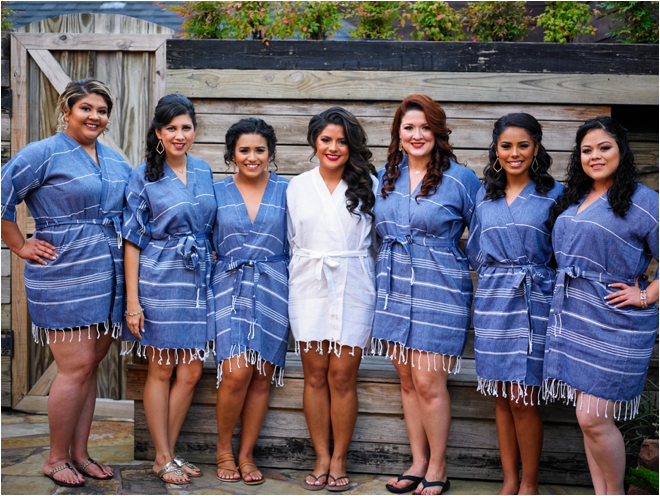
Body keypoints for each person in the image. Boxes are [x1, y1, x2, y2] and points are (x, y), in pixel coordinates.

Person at [1, 78, 130, 487]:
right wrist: (20, 245)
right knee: (74, 367)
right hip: (63, 271)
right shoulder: (43, 153)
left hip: (107, 272)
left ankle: (79, 453)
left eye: (102, 110)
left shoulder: (115, 161)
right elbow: (2, 193)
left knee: (90, 367)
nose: (95, 117)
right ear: (66, 110)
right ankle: (55, 457)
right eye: (86, 108)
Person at [543, 116, 658, 495]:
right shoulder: (575, 198)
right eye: (587, 150)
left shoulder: (644, 201)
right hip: (574, 316)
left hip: (614, 322)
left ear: (622, 151)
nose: (595, 156)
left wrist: (646, 294)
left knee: (593, 419)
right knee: (586, 418)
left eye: (604, 147)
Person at [373, 94, 480, 496]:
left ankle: (439, 466)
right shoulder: (384, 176)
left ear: (437, 131)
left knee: (429, 380)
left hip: (441, 288)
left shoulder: (461, 179)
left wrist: (454, 260)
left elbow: (483, 233)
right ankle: (417, 461)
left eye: (424, 127)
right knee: (406, 379)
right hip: (394, 287)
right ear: (398, 134)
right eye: (409, 127)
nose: (417, 135)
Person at [465, 113, 563, 495]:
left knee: (523, 397)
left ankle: (529, 482)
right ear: (496, 149)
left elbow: (563, 250)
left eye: (523, 145)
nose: (514, 153)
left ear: (536, 147)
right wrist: (497, 274)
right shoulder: (483, 195)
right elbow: (475, 249)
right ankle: (508, 480)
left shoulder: (556, 194)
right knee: (502, 398)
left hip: (535, 299)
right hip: (492, 300)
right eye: (506, 145)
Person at [122, 94, 216, 485]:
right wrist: (132, 302)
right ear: (159, 132)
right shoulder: (143, 175)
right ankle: (162, 456)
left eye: (186, 127)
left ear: (194, 130)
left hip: (198, 281)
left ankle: (169, 453)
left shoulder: (205, 170)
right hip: (159, 278)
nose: (180, 135)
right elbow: (131, 239)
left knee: (191, 370)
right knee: (161, 368)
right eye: (172, 128)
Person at [287, 107, 378, 492]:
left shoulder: (369, 183)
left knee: (342, 375)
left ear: (351, 144)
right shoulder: (296, 186)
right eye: (326, 139)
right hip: (308, 282)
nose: (334, 147)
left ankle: (340, 459)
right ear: (314, 142)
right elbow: (291, 239)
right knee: (315, 374)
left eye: (342, 140)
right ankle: (320, 456)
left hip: (354, 281)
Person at [212, 118, 289, 486]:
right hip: (229, 283)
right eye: (244, 150)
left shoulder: (288, 191)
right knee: (237, 371)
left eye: (260, 150)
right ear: (232, 154)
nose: (252, 157)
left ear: (270, 153)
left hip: (275, 286)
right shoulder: (216, 191)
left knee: (261, 374)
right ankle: (223, 448)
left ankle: (246, 454)